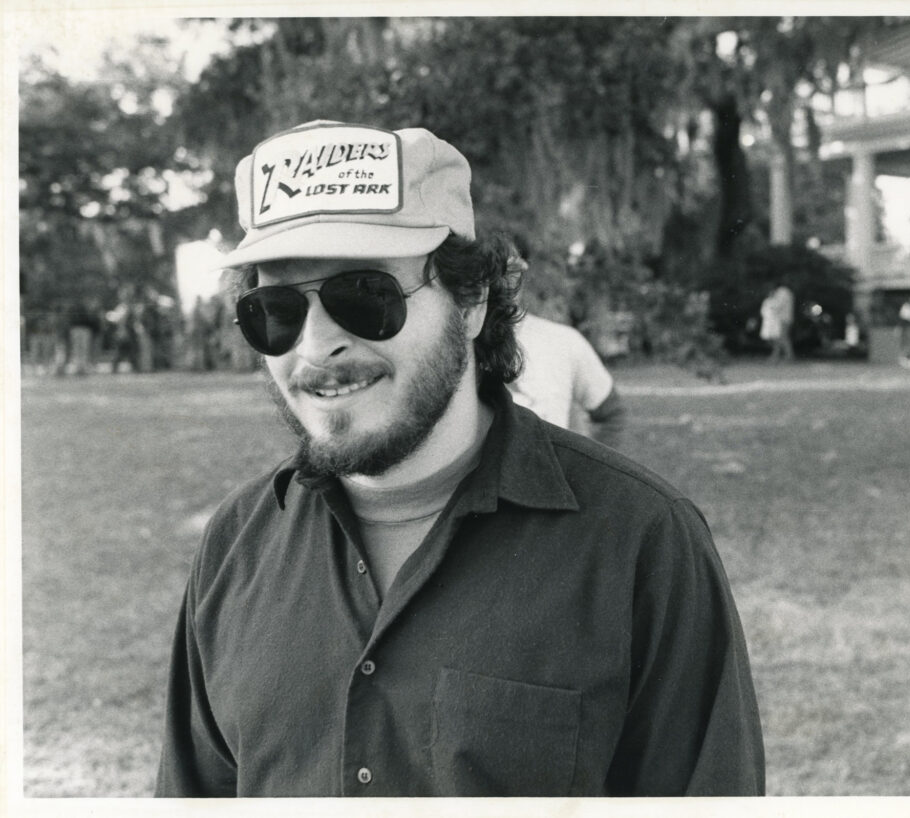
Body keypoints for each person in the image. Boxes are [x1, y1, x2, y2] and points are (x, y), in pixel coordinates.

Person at [156, 120, 764, 797]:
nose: (313, 348)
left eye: (364, 296)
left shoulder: (642, 544)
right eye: (274, 310)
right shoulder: (236, 545)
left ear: (471, 301)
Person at [509, 299, 626, 448]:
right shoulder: (471, 340)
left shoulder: (563, 340)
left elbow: (613, 413)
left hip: (545, 468)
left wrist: (588, 468)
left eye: (512, 275)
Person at [759, 282, 794, 363]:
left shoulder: (783, 292)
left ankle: (789, 356)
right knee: (777, 338)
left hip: (783, 318)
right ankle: (775, 356)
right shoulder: (782, 292)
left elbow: (778, 305)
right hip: (779, 319)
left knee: (783, 337)